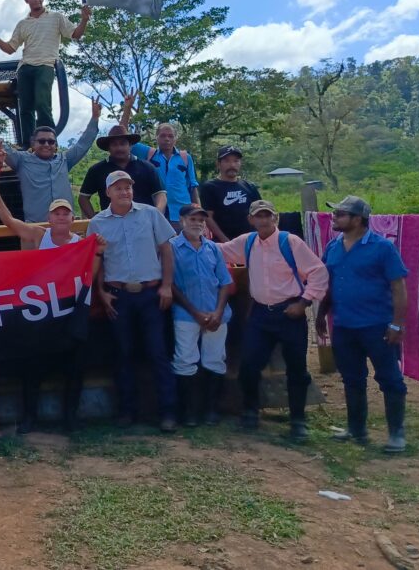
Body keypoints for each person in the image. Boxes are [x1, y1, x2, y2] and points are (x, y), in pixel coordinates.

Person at [0, 174, 96, 432]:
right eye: (56, 213)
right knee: (31, 367)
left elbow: (94, 272)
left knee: (75, 368)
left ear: (73, 218)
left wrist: (98, 250)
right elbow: (9, 221)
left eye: (66, 213)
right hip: (41, 314)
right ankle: (29, 417)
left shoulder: (82, 244)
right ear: (49, 216)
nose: (61, 217)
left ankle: (71, 417)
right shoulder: (37, 235)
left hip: (69, 313)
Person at [218, 199, 327, 440]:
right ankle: (250, 412)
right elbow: (217, 250)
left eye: (268, 216)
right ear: (251, 220)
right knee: (248, 366)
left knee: (297, 369)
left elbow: (318, 271)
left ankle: (298, 421)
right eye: (259, 216)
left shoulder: (290, 242)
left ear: (275, 219)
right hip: (260, 314)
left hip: (290, 312)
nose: (264, 220)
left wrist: (304, 302)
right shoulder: (247, 243)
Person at [315, 196, 410, 453]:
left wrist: (397, 324)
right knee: (352, 377)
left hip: (377, 324)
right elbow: (329, 283)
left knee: (389, 378)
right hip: (344, 324)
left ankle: (396, 434)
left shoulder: (382, 248)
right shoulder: (333, 246)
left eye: (341, 214)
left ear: (358, 220)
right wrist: (322, 313)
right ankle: (356, 429)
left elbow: (398, 286)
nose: (334, 217)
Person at [87, 171, 178, 432]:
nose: (124, 192)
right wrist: (101, 291)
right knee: (122, 353)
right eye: (118, 188)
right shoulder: (97, 222)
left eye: (128, 187)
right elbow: (98, 257)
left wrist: (167, 286)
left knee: (158, 352)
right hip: (119, 296)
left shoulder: (150, 214)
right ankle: (127, 411)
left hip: (151, 293)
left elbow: (166, 249)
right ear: (107, 193)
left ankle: (168, 412)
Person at [0, 0, 91, 143]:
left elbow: (75, 34)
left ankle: (48, 140)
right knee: (25, 108)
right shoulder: (23, 23)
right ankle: (29, 144)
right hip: (25, 67)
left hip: (45, 65)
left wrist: (84, 20)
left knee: (42, 104)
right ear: (26, 0)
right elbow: (10, 48)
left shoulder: (56, 17)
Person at [0, 99, 101, 227]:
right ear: (33, 144)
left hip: (66, 228)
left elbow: (83, 144)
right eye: (42, 141)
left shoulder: (65, 160)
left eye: (50, 142)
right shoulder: (21, 160)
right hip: (36, 229)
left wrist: (95, 118)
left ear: (56, 145)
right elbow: (0, 146)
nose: (46, 145)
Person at [168, 204, 234, 427]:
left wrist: (217, 312)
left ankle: (211, 409)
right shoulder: (172, 248)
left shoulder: (213, 248)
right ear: (182, 220)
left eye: (201, 220)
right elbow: (173, 286)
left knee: (215, 359)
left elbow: (225, 282)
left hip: (216, 313)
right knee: (185, 359)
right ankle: (188, 412)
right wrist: (195, 312)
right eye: (192, 219)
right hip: (186, 314)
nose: (197, 223)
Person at [78, 125, 166, 217]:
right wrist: (96, 221)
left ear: (130, 146)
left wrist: (156, 217)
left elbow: (160, 195)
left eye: (123, 143)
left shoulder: (147, 167)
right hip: (111, 225)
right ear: (108, 148)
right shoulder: (97, 170)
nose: (119, 148)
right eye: (114, 144)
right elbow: (83, 198)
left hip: (144, 224)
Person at [132, 123, 200, 229]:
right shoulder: (150, 154)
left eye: (170, 136)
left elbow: (193, 185)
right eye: (163, 136)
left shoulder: (185, 157)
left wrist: (198, 211)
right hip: (157, 213)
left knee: (185, 244)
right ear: (157, 137)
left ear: (175, 139)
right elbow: (127, 142)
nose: (167, 139)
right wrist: (127, 108)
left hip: (183, 213)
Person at [199, 145, 261, 242]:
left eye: (236, 161)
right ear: (218, 164)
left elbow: (260, 212)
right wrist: (226, 242)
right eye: (227, 161)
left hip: (250, 242)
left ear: (240, 163)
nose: (232, 165)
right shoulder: (210, 187)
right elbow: (208, 217)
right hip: (223, 244)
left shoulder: (249, 186)